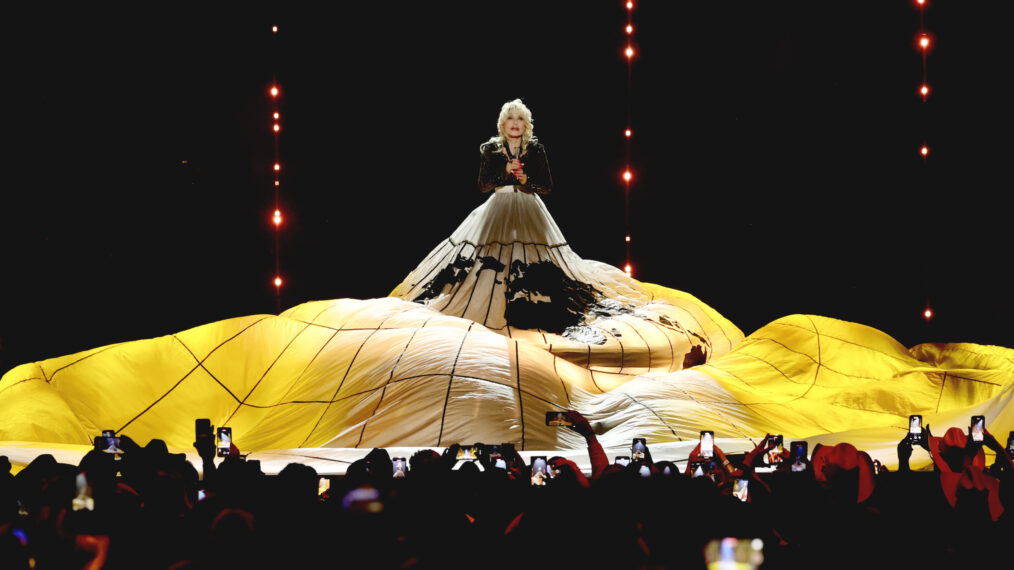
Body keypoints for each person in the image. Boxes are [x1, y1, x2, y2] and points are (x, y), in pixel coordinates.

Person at [391, 99, 647, 335]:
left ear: (527, 125)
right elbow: (482, 185)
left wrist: (527, 180)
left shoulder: (535, 149)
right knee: (489, 261)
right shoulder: (492, 149)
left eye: (520, 118)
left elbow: (546, 186)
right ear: (503, 124)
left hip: (528, 205)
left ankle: (526, 308)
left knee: (533, 263)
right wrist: (504, 170)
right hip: (499, 205)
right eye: (510, 118)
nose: (515, 123)